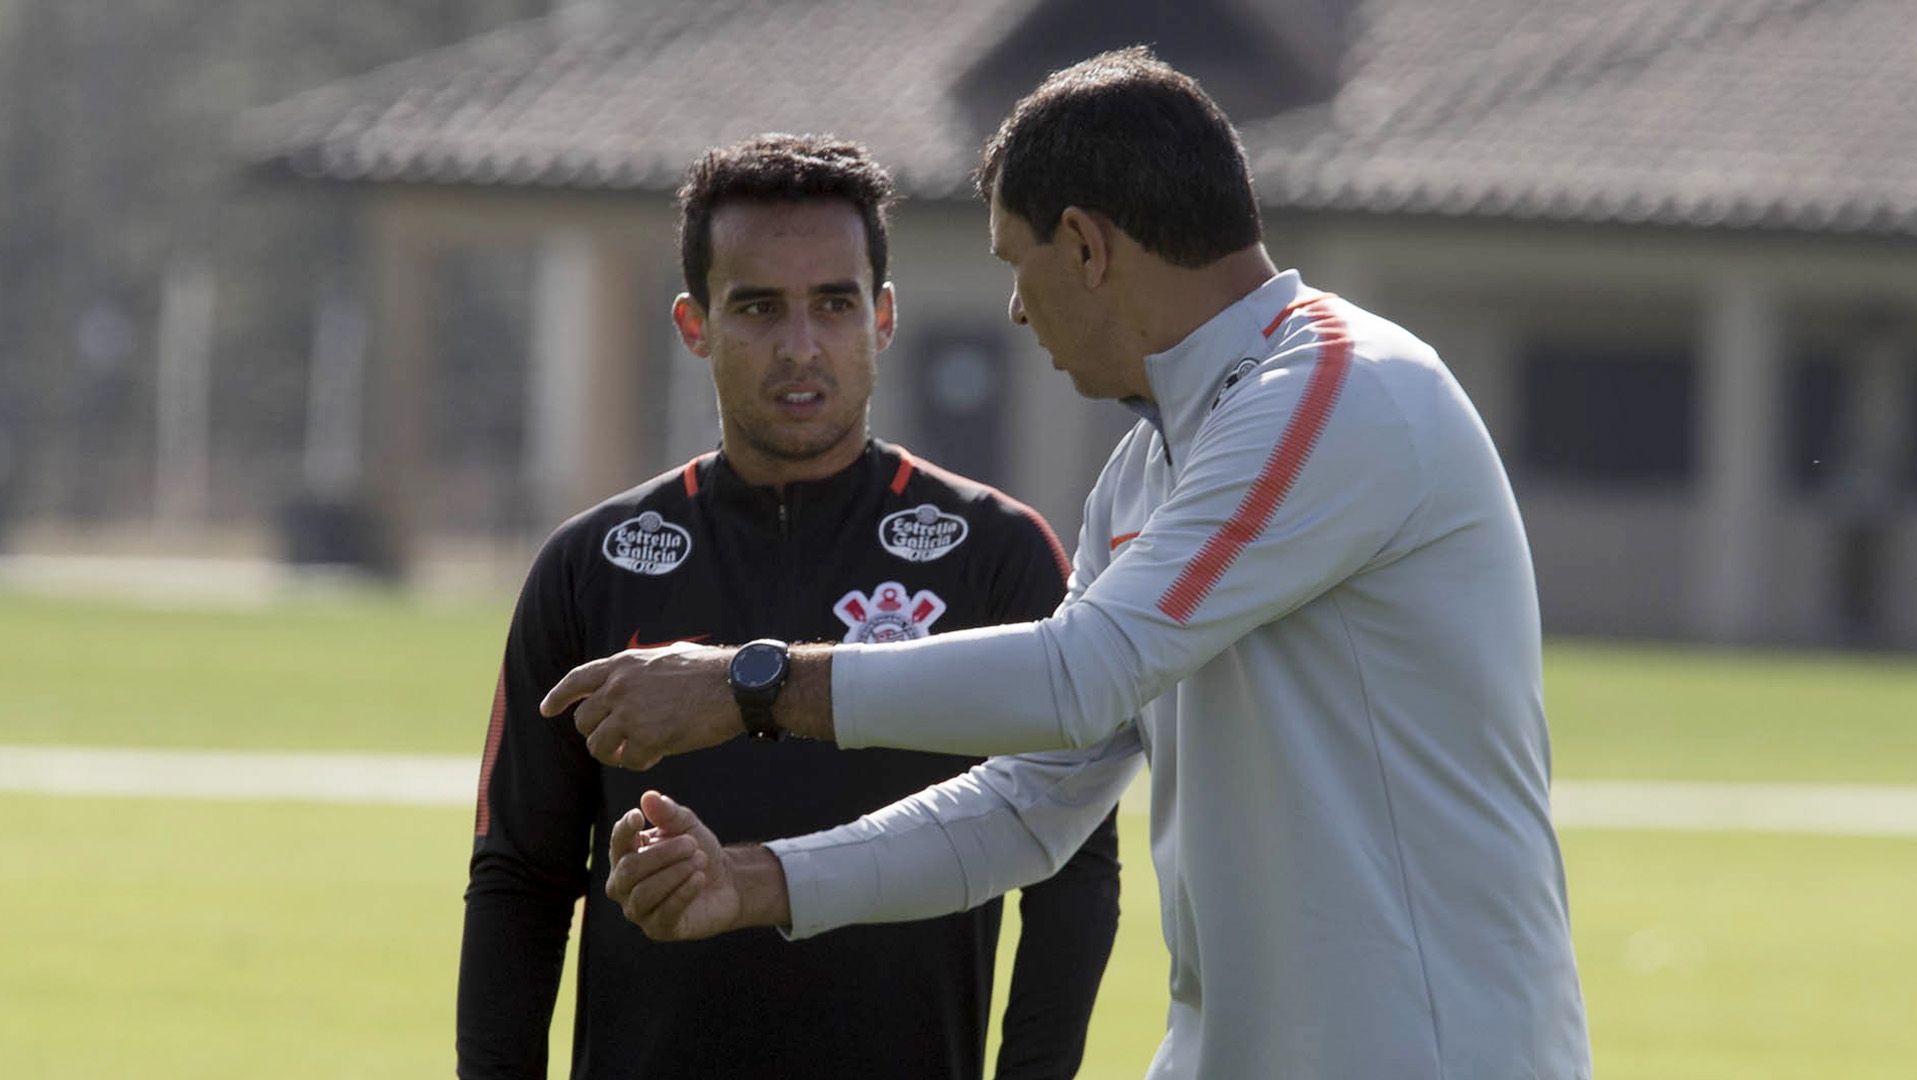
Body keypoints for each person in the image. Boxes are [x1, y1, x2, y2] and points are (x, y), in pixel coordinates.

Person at [550, 49, 1592, 1080]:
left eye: (1017, 260)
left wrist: (750, 686)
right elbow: (1030, 802)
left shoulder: (1343, 387)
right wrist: (756, 880)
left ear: (1086, 247)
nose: (1016, 306)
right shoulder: (1148, 468)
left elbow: (1078, 674)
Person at [458, 134, 1121, 1080]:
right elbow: (520, 875)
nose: (801, 346)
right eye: (759, 307)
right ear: (695, 324)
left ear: (883, 318)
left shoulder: (997, 554)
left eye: (835, 304)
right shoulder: (590, 565)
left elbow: (1073, 869)